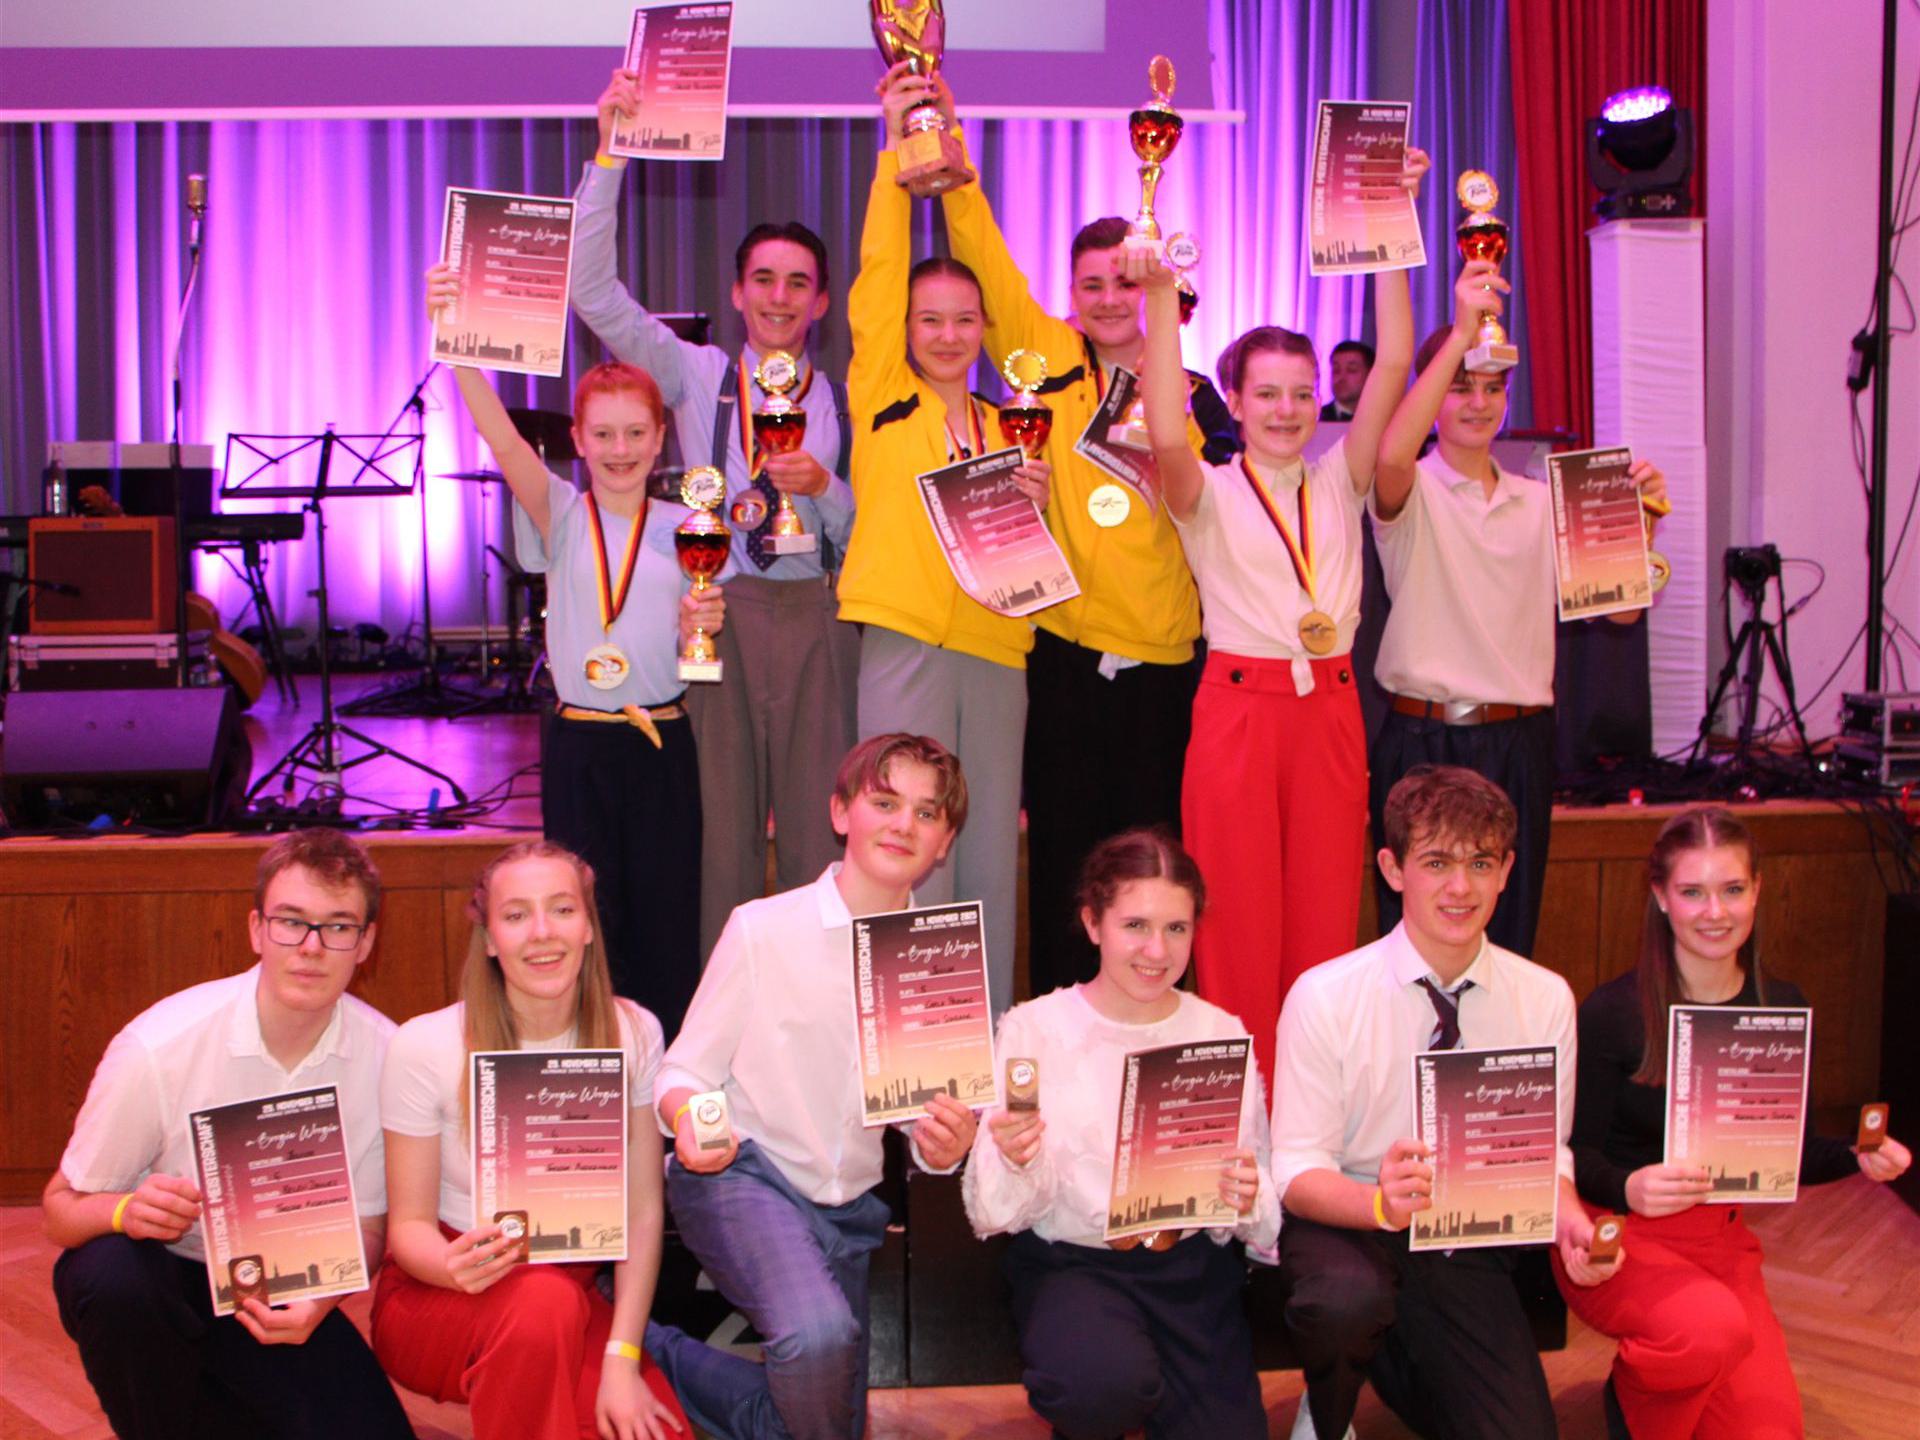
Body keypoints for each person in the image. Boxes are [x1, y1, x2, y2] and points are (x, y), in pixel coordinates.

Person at [921, 77, 1226, 993]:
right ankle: (1058, 1033)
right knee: (1063, 862)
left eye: (1123, 281)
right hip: (1062, 656)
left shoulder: (1193, 393)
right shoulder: (1045, 364)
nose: (1107, 298)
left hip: (1165, 666)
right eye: (1089, 284)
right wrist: (954, 153)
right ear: (1070, 294)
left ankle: (1153, 1031)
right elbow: (983, 253)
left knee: (1155, 868)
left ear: (1150, 285)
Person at [1133, 148, 1428, 1086]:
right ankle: (1240, 1115)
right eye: (1266, 393)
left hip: (1330, 712)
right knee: (1235, 925)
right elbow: (1166, 428)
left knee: (1324, 928)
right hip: (1238, 714)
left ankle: (1311, 1112)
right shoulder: (1207, 490)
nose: (1288, 409)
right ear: (1234, 399)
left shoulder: (1340, 478)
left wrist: (1391, 225)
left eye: (1302, 392)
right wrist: (1160, 300)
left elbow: (1395, 360)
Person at [571, 69, 859, 962]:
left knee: (820, 840)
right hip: (718, 614)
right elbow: (593, 292)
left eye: (799, 282)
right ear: (736, 293)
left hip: (817, 617)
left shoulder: (849, 399)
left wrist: (825, 489)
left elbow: (866, 532)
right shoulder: (693, 374)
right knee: (721, 843)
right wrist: (610, 156)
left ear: (822, 302)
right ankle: (719, 1018)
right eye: (763, 279)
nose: (779, 296)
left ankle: (819, 1009)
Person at [645, 733, 981, 1439]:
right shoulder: (763, 930)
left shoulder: (934, 956)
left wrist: (946, 1144)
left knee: (815, 1419)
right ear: (839, 812)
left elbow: (918, 1123)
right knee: (818, 1338)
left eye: (926, 813)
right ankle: (659, 1355)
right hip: (743, 1179)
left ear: (945, 841)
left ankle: (654, 1356)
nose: (904, 824)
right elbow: (680, 1071)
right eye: (884, 803)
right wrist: (694, 1120)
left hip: (848, 1211)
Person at [1269, 765, 1618, 1440]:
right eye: (1436, 862)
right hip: (1349, 1220)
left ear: (1506, 871)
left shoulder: (1543, 997)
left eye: (1480, 863)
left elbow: (1546, 1155)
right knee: (1345, 1303)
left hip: (1465, 1239)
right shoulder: (1325, 995)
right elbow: (1296, 1171)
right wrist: (1379, 1204)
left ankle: (1385, 1362)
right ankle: (1330, 1401)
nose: (1461, 887)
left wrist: (1570, 1219)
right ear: (1392, 869)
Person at [43, 829, 413, 1440]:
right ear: (256, 930)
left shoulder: (388, 1056)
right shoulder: (159, 1046)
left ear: (366, 942)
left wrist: (321, 1303)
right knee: (114, 1278)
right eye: (291, 922)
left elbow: (370, 1227)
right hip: (159, 1274)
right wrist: (126, 1211)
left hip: (277, 1288)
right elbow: (59, 1210)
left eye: (338, 926)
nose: (312, 947)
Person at [1558, 806, 1910, 1440]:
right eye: (1693, 892)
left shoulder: (1780, 1004)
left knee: (1770, 1429)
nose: (1715, 912)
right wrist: (1628, 1185)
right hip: (1614, 1237)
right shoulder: (1614, 1013)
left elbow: (1787, 1152)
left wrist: (1857, 1157)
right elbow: (1574, 1154)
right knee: (1708, 1332)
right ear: (1660, 897)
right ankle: (1642, 1387)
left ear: (1757, 891)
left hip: (1719, 1243)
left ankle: (1669, 1368)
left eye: (1732, 889)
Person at [432, 269, 718, 1037]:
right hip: (580, 745)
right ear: (578, 441)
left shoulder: (689, 527)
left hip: (663, 742)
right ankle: (588, 1063)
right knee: (582, 917)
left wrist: (701, 622)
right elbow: (500, 438)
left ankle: (660, 1074)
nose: (621, 449)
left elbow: (695, 641)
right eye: (604, 435)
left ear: (661, 438)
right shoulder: (558, 511)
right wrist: (458, 344)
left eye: (636, 433)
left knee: (666, 918)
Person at [1369, 264, 1668, 956]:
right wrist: (1461, 332)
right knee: (1412, 945)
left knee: (1507, 940)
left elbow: (1621, 617)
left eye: (1493, 386)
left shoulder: (1546, 501)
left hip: (1519, 743)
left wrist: (1639, 526)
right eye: (1459, 386)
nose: (1478, 403)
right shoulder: (1411, 488)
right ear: (1432, 396)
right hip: (1422, 741)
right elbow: (1390, 453)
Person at [834, 64, 1052, 1011]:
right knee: (901, 841)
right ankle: (904, 1037)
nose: (950, 335)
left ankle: (985, 1032)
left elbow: (1035, 555)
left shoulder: (1014, 426)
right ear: (906, 329)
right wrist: (900, 148)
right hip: (907, 643)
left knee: (988, 847)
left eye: (966, 320)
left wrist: (1036, 498)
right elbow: (881, 274)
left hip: (997, 652)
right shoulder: (884, 396)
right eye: (931, 320)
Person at [372, 838, 688, 1440]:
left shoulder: (633, 1031)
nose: (543, 933)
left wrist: (622, 1359)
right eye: (516, 915)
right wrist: (451, 1265)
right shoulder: (425, 1045)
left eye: (563, 909)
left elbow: (644, 1213)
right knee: (543, 1304)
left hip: (568, 1294)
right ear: (490, 939)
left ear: (588, 927)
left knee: (655, 1430)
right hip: (440, 1294)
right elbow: (406, 1229)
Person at [964, 828, 1275, 1440]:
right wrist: (1019, 1158)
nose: (1156, 950)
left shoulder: (1219, 1031)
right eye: (1135, 925)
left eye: (1176, 928)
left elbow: (1258, 1188)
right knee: (1100, 1384)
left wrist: (1245, 1193)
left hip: (1190, 1273)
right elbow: (991, 1211)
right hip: (1075, 1266)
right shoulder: (1034, 1029)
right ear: (1092, 923)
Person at [1320, 340, 1374, 422]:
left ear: (1370, 375)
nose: (1341, 377)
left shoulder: (1386, 419)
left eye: (1351, 370)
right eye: (1336, 370)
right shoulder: (1316, 419)